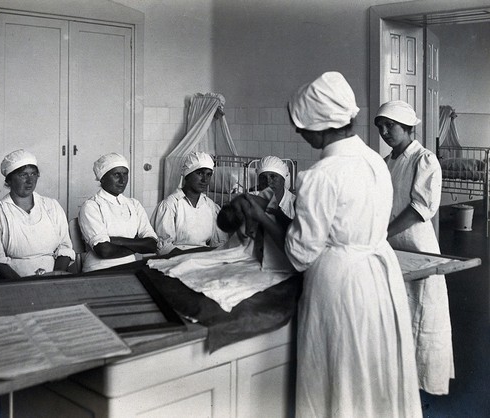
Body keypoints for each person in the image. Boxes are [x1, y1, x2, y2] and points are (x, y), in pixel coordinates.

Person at [242, 72, 421, 416]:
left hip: (340, 286)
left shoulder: (321, 175)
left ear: (320, 125)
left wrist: (263, 216)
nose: (297, 131)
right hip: (379, 278)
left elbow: (299, 254)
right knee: (372, 373)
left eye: (301, 125)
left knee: (339, 374)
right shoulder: (374, 161)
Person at [375, 100, 454, 395]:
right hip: (391, 246)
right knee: (396, 312)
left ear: (407, 126)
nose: (384, 131)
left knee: (422, 315)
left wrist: (383, 233)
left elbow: (419, 209)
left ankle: (422, 385)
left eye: (389, 126)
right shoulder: (387, 162)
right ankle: (397, 382)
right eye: (380, 126)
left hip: (417, 248)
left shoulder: (425, 159)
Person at [0, 149, 74, 280]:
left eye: (33, 174)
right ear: (9, 180)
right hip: (15, 283)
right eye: (23, 175)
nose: (30, 180)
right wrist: (24, 286)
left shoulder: (51, 206)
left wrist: (53, 278)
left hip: (54, 278)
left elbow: (65, 248)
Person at [79, 153, 157, 271]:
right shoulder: (92, 206)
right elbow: (104, 251)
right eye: (116, 175)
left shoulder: (134, 204)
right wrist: (138, 245)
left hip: (131, 267)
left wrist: (117, 240)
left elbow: (152, 244)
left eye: (125, 174)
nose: (122, 180)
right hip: (100, 269)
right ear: (102, 178)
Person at [152, 151, 227, 255]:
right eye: (200, 173)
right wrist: (192, 256)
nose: (205, 179)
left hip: (204, 259)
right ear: (187, 174)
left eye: (208, 174)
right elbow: (163, 247)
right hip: (176, 259)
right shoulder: (170, 205)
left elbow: (218, 244)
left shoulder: (211, 207)